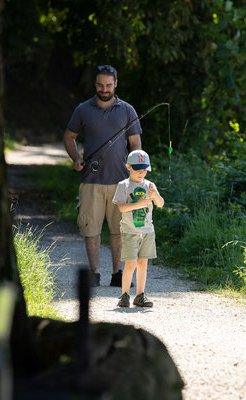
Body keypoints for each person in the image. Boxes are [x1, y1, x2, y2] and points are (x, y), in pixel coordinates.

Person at [63, 65, 142, 287]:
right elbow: (69, 137)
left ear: (116, 83)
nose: (104, 89)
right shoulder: (82, 109)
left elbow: (136, 144)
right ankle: (94, 273)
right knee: (91, 231)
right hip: (91, 182)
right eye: (100, 85)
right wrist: (75, 159)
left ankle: (117, 274)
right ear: (94, 84)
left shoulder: (127, 110)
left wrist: (136, 173)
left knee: (118, 232)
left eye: (108, 85)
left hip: (121, 183)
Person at [112, 150, 164, 307]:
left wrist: (155, 195)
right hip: (129, 232)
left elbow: (161, 204)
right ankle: (124, 295)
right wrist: (139, 204)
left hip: (147, 232)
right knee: (131, 263)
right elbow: (121, 208)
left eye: (144, 170)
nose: (142, 173)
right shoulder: (123, 185)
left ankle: (140, 295)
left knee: (143, 264)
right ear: (128, 166)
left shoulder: (150, 185)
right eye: (138, 170)